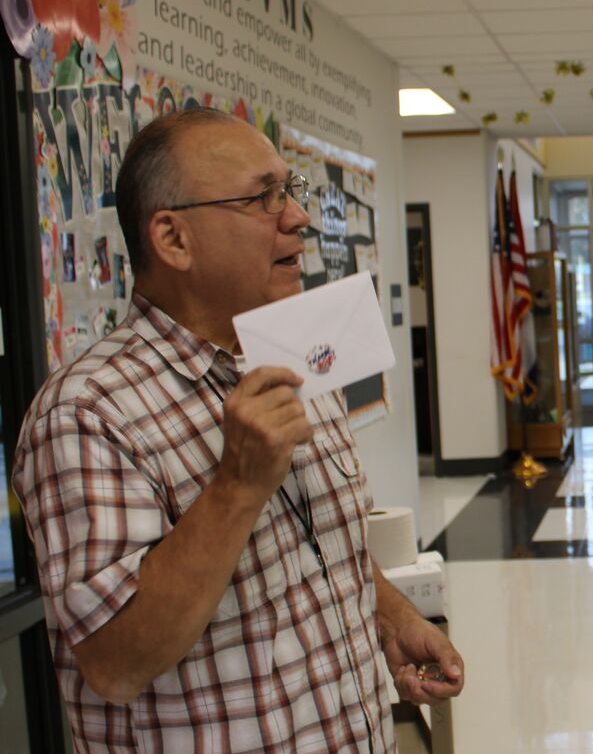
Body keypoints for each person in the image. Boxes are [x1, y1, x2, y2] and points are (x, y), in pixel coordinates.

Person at [12, 107, 464, 751]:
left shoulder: (294, 353)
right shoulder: (86, 414)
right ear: (173, 240)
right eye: (263, 197)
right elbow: (114, 663)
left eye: (291, 190)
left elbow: (321, 539)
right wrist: (237, 484)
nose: (298, 217)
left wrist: (389, 614)